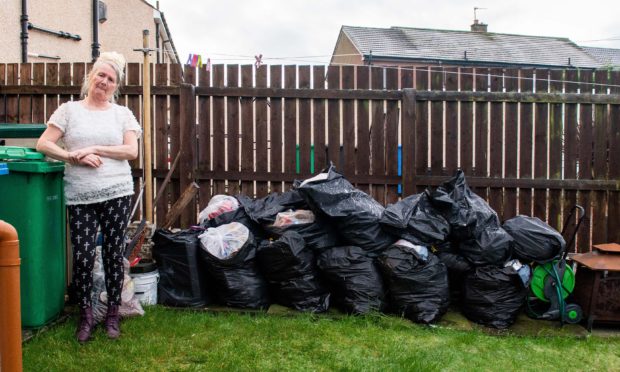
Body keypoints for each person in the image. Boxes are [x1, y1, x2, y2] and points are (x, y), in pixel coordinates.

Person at [36, 51, 141, 343]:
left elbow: (131, 151)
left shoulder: (122, 114)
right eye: (101, 75)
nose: (104, 82)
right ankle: (85, 315)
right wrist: (72, 156)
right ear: (91, 76)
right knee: (82, 257)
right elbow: (44, 143)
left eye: (111, 79)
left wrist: (96, 149)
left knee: (112, 254)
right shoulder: (69, 111)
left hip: (117, 192)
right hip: (80, 195)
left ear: (115, 86)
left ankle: (112, 315)